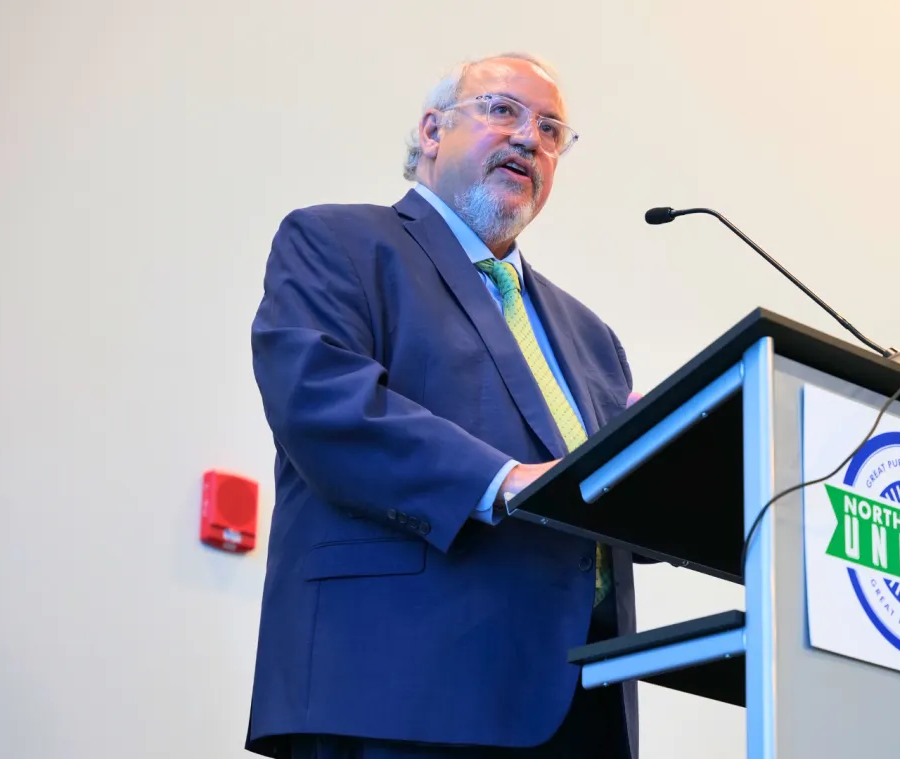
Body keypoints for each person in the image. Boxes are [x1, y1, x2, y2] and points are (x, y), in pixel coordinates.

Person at [244, 52, 642, 759]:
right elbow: (323, 403)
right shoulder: (337, 242)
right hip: (398, 687)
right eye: (502, 110)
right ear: (432, 131)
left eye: (551, 130)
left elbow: (614, 502)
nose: (529, 138)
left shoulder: (592, 337)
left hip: (579, 707)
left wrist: (678, 464)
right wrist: (505, 479)